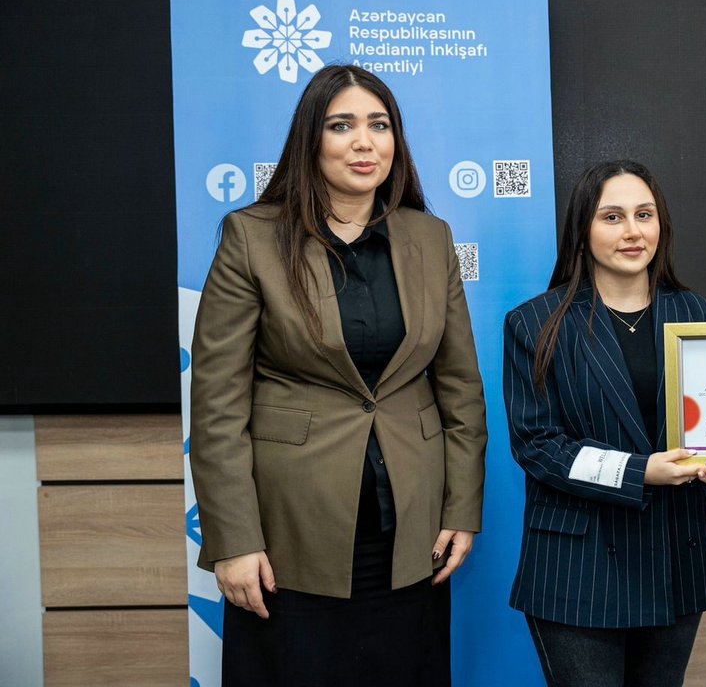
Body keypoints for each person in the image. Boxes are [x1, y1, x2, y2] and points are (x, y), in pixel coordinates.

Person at [189, 64, 487, 686]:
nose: (364, 142)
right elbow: (218, 405)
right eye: (341, 125)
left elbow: (459, 387)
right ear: (311, 139)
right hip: (289, 539)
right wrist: (234, 540)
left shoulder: (431, 238)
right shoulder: (253, 237)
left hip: (409, 534)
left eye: (379, 125)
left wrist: (462, 507)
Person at [503, 160, 706, 687]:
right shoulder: (535, 323)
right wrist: (640, 472)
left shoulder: (703, 317)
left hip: (678, 557)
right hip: (579, 568)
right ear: (583, 228)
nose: (633, 231)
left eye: (645, 214)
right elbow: (538, 445)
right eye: (612, 217)